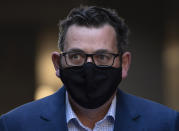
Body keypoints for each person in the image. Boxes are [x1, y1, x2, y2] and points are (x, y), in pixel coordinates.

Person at [0, 6, 178, 131]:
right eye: (76, 56)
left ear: (124, 64)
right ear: (57, 63)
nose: (89, 68)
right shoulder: (14, 125)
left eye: (102, 57)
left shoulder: (166, 124)